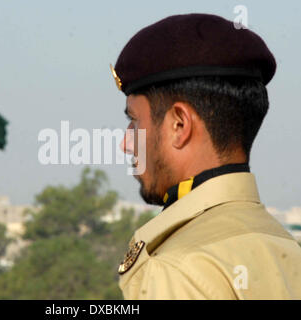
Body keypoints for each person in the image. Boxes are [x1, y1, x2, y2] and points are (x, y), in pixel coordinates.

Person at [111, 13, 301, 299]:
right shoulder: (286, 248)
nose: (126, 143)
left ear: (179, 125)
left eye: (135, 122)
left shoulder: (176, 268)